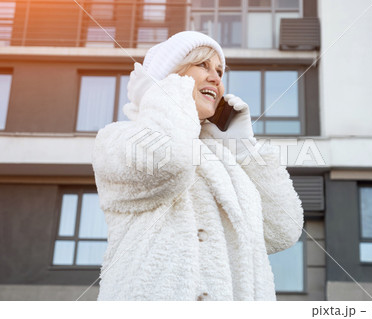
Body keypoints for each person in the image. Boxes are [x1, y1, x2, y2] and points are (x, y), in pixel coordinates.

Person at [92, 31, 304, 301]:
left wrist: (244, 149)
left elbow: (283, 230)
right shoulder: (117, 139)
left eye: (219, 70)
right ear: (170, 76)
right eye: (202, 65)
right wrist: (164, 95)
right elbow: (169, 163)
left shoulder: (226, 161)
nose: (216, 77)